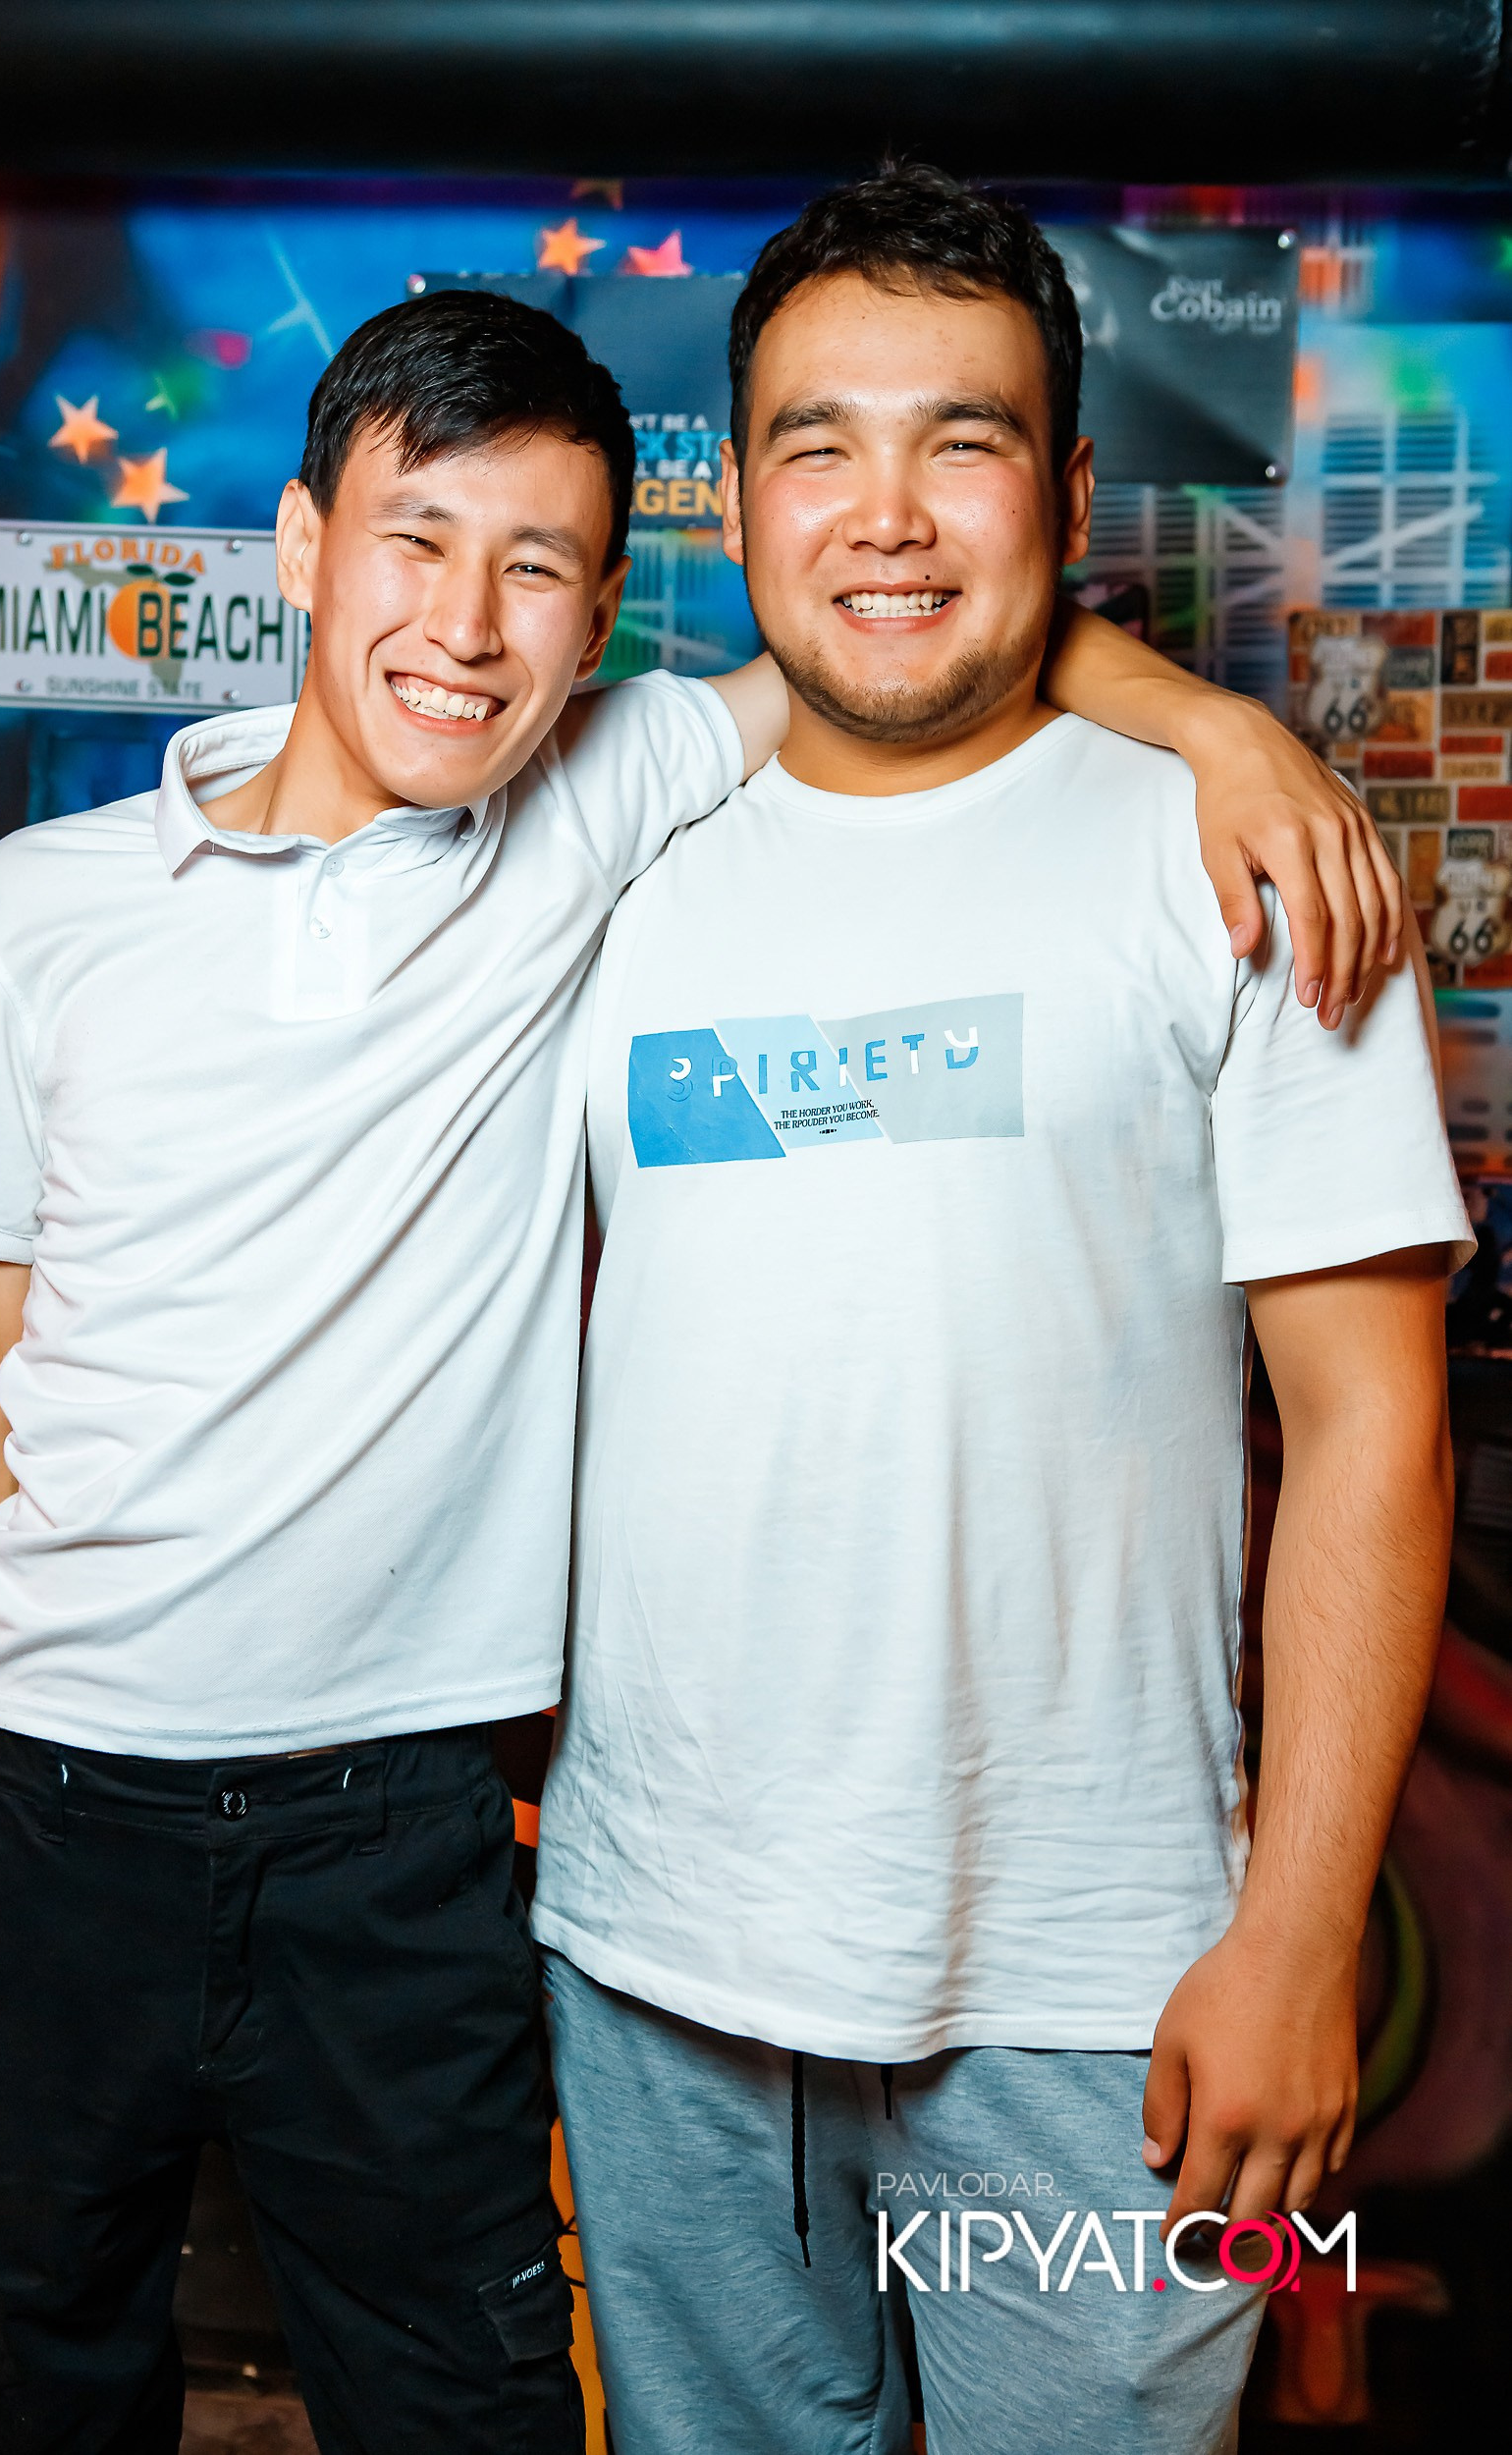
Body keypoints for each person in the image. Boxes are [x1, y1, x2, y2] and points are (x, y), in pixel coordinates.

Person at [0, 267, 1397, 2447]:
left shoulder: (614, 806)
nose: (466, 621)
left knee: (470, 2404)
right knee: (46, 2382)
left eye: (538, 571)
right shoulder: (69, 898)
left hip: (453, 1834)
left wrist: (1228, 727)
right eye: (415, 540)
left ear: (603, 621)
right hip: (117, 1810)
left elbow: (912, 620)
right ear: (300, 545)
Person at [530, 167, 1471, 2455]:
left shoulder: (1249, 862)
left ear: (1066, 485)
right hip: (658, 1970)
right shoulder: (597, 853)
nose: (888, 513)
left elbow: (1374, 1427)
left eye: (961, 442)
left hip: (1108, 1989)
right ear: (730, 497)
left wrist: (1298, 1936)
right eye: (818, 445)